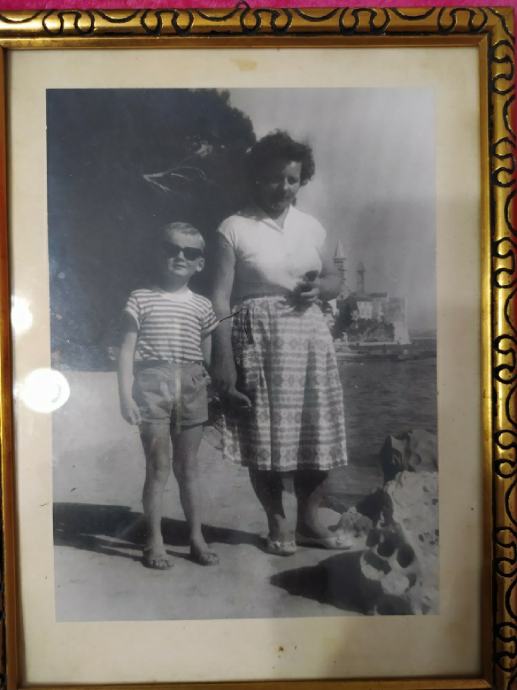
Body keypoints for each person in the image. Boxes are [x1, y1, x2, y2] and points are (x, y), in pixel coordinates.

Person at [211, 131, 350, 556]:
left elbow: (334, 278)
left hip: (309, 339)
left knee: (315, 432)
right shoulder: (234, 227)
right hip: (259, 337)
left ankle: (309, 521)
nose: (283, 188)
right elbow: (219, 298)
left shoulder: (311, 226)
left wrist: (321, 289)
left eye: (291, 179)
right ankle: (277, 521)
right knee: (264, 434)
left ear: (301, 180)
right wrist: (223, 358)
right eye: (273, 179)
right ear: (256, 177)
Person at [118, 222, 219, 569]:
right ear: (158, 252)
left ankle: (196, 537)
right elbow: (126, 351)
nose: (180, 256)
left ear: (200, 263)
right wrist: (124, 396)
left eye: (189, 252)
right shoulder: (140, 298)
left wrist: (210, 389)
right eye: (171, 248)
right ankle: (154, 539)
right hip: (152, 385)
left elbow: (206, 357)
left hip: (191, 385)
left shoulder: (203, 305)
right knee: (158, 466)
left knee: (188, 467)